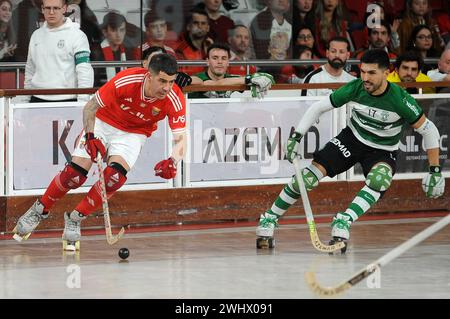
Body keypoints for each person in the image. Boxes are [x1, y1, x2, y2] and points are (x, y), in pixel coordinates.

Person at [256, 49, 445, 249]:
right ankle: (269, 218)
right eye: (362, 72)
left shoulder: (400, 99)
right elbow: (318, 107)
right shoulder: (355, 87)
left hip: (382, 150)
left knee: (380, 179)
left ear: (386, 73)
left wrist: (434, 170)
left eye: (371, 73)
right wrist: (297, 136)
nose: (365, 78)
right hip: (352, 139)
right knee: (306, 178)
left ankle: (343, 220)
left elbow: (429, 130)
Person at [13, 53, 187, 251]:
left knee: (114, 178)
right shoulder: (126, 80)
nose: (167, 88)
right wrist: (90, 136)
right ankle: (39, 209)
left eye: (171, 82)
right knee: (74, 175)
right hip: (103, 122)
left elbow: (181, 137)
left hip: (133, 134)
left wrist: (174, 160)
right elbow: (90, 107)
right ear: (149, 75)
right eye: (162, 81)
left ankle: (75, 218)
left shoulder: (173, 97)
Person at [24, 0, 93, 103]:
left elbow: (84, 71)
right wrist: (25, 100)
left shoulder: (77, 35)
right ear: (42, 9)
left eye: (56, 8)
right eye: (48, 8)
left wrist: (82, 102)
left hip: (67, 100)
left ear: (64, 9)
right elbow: (30, 69)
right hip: (37, 99)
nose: (51, 12)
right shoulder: (36, 35)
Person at [188, 42, 274, 99]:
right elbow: (216, 84)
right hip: (198, 124)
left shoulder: (233, 79)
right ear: (207, 61)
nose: (220, 62)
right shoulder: (199, 78)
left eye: (224, 58)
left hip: (225, 123)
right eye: (215, 58)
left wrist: (262, 78)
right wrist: (248, 79)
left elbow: (268, 78)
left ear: (228, 62)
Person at [91, 11, 135, 87]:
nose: (118, 35)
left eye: (122, 30)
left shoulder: (128, 52)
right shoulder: (96, 53)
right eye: (114, 30)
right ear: (105, 32)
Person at [175, 7, 213, 75]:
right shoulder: (179, 50)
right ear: (188, 26)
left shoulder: (210, 46)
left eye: (203, 23)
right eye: (196, 23)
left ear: (208, 28)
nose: (200, 26)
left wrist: (211, 53)